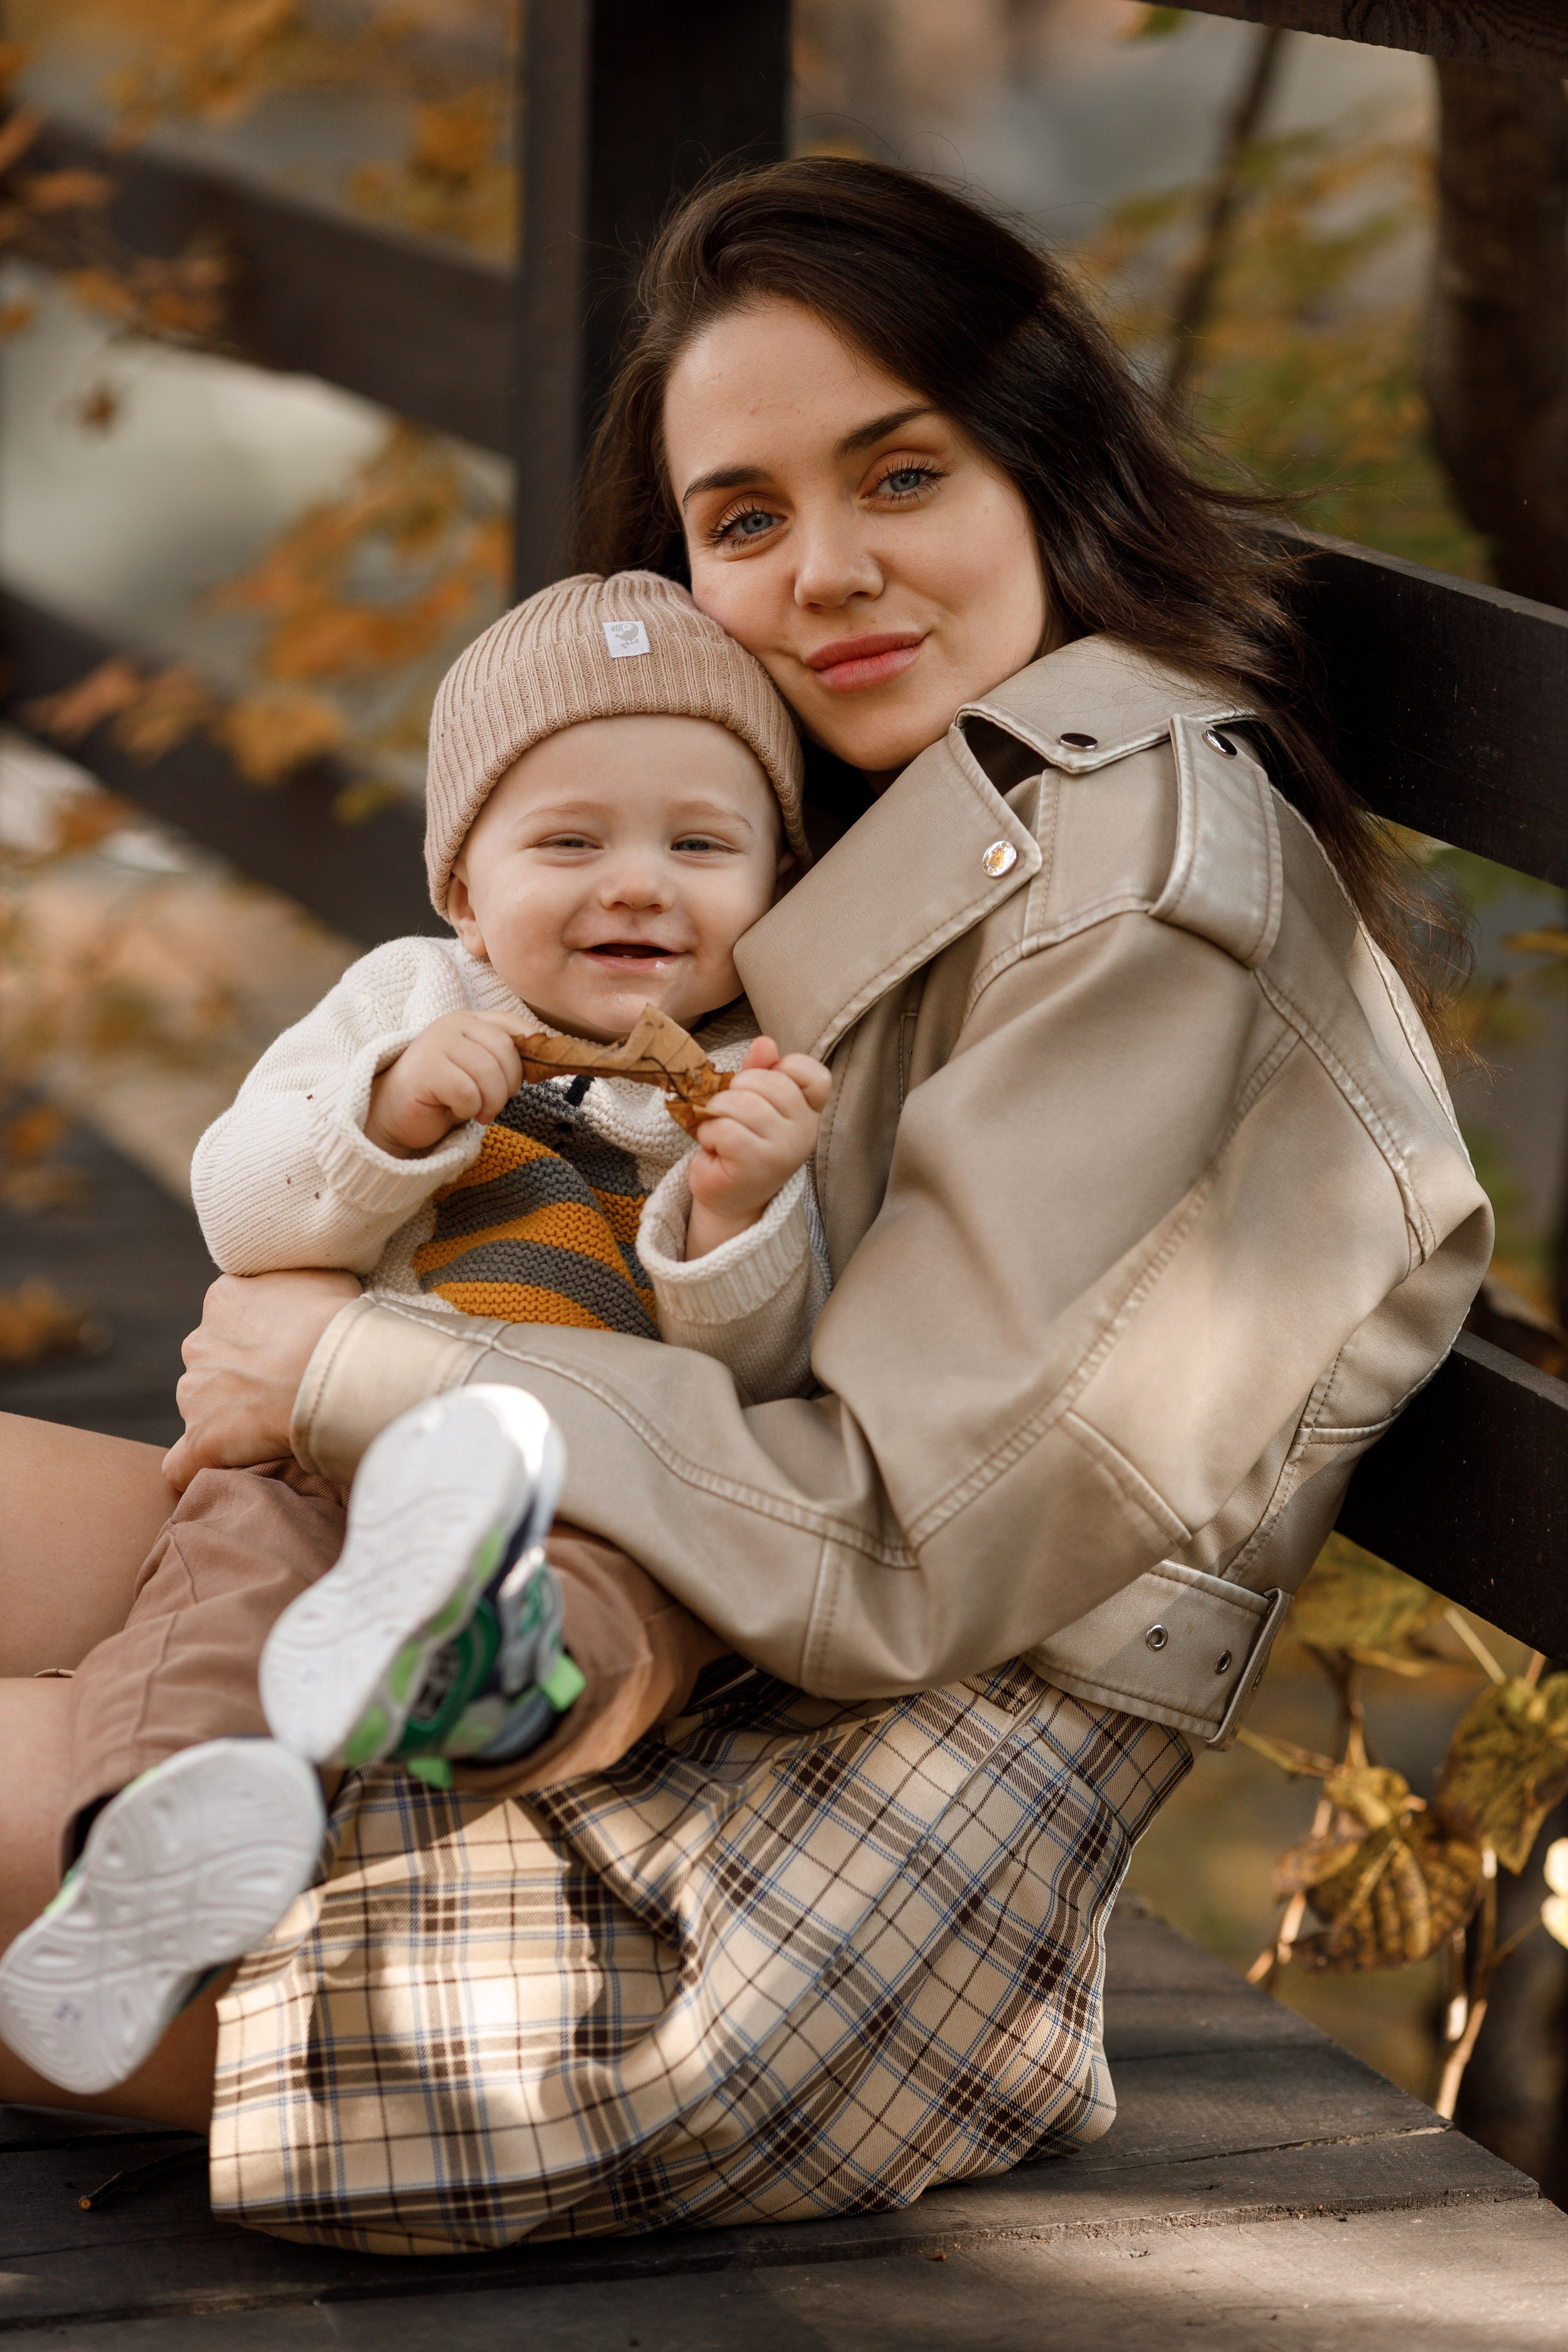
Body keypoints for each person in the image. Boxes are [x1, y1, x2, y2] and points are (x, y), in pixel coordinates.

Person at [0, 159, 1490, 2253]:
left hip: (784, 1866)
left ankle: (166, 1835)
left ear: (1042, 470)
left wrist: (358, 1358)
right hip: (610, 1643)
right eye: (746, 518)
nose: (826, 576)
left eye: (902, 474)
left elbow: (890, 1537)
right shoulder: (914, 809)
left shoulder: (1153, 901)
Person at [0, 570, 835, 2098]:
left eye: (700, 845)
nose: (638, 883)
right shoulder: (407, 998)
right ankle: (139, 1868)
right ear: (462, 886)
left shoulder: (750, 1081)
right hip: (320, 1452)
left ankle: (481, 1669)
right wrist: (382, 1117)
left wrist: (734, 1215)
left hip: (591, 1499)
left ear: (774, 882)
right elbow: (238, 1211)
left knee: (636, 1606)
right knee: (212, 1592)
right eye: (569, 842)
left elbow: (758, 1377)